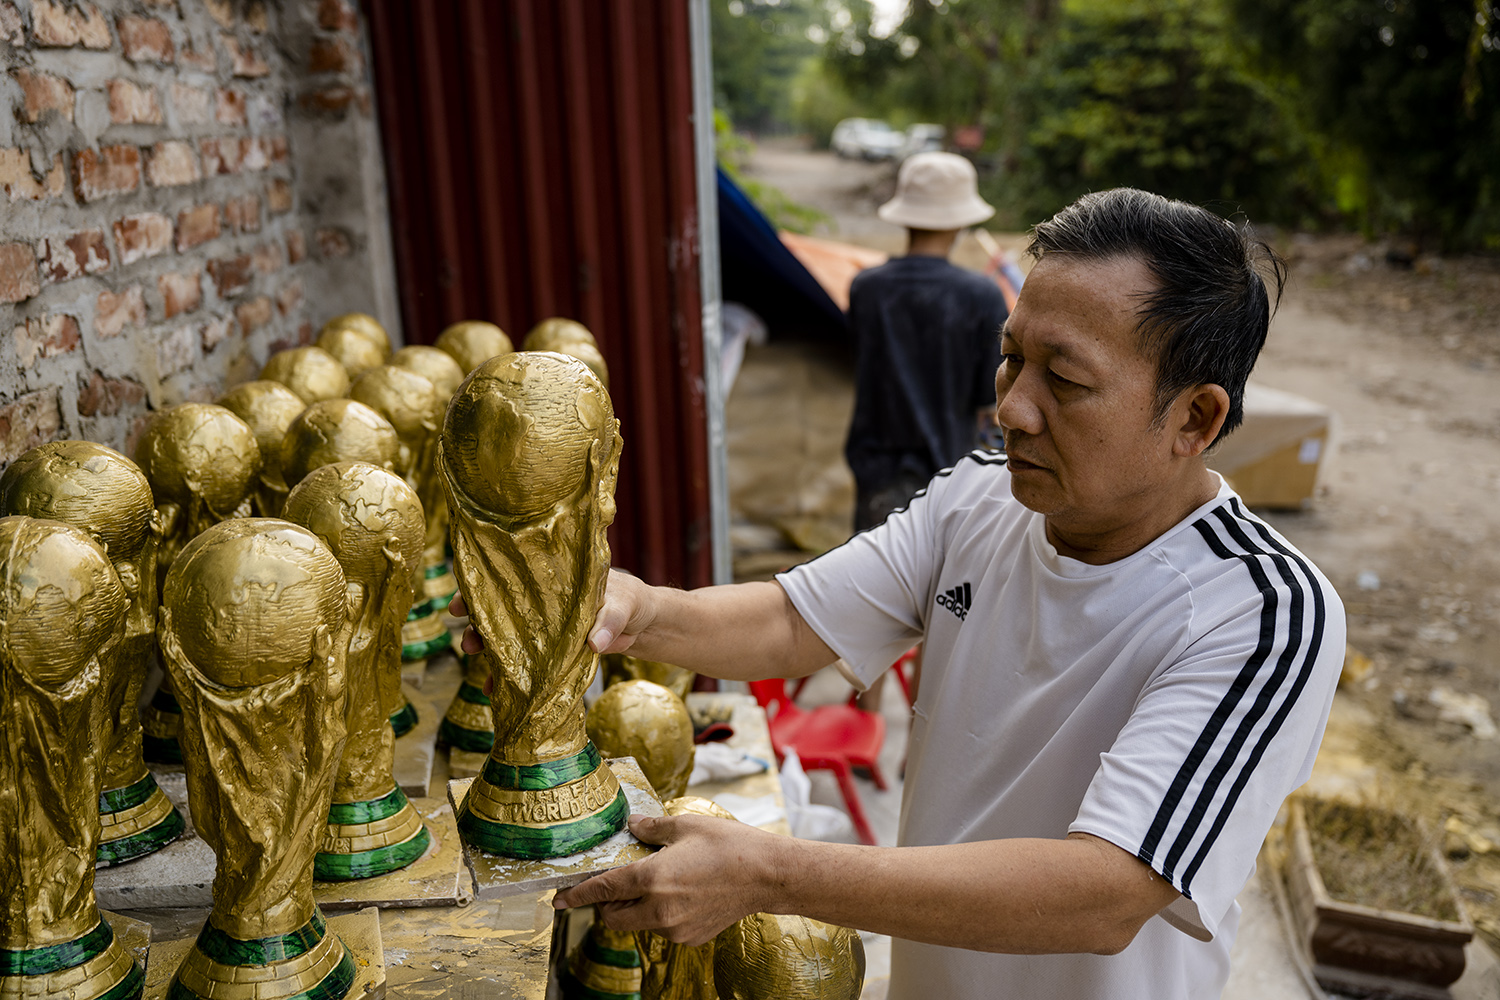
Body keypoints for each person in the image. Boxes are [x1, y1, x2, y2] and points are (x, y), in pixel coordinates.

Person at [455, 188, 1345, 1000]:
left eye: (1066, 382)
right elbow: (790, 621)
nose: (1014, 408)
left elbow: (1106, 891)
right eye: (1009, 360)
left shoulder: (1261, 613)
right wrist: (629, 610)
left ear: (1195, 419)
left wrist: (769, 872)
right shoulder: (978, 499)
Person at [845, 151, 1009, 532]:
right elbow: (990, 401)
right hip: (950, 472)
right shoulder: (981, 294)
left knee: (874, 581)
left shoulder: (866, 288)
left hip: (875, 470)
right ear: (961, 222)